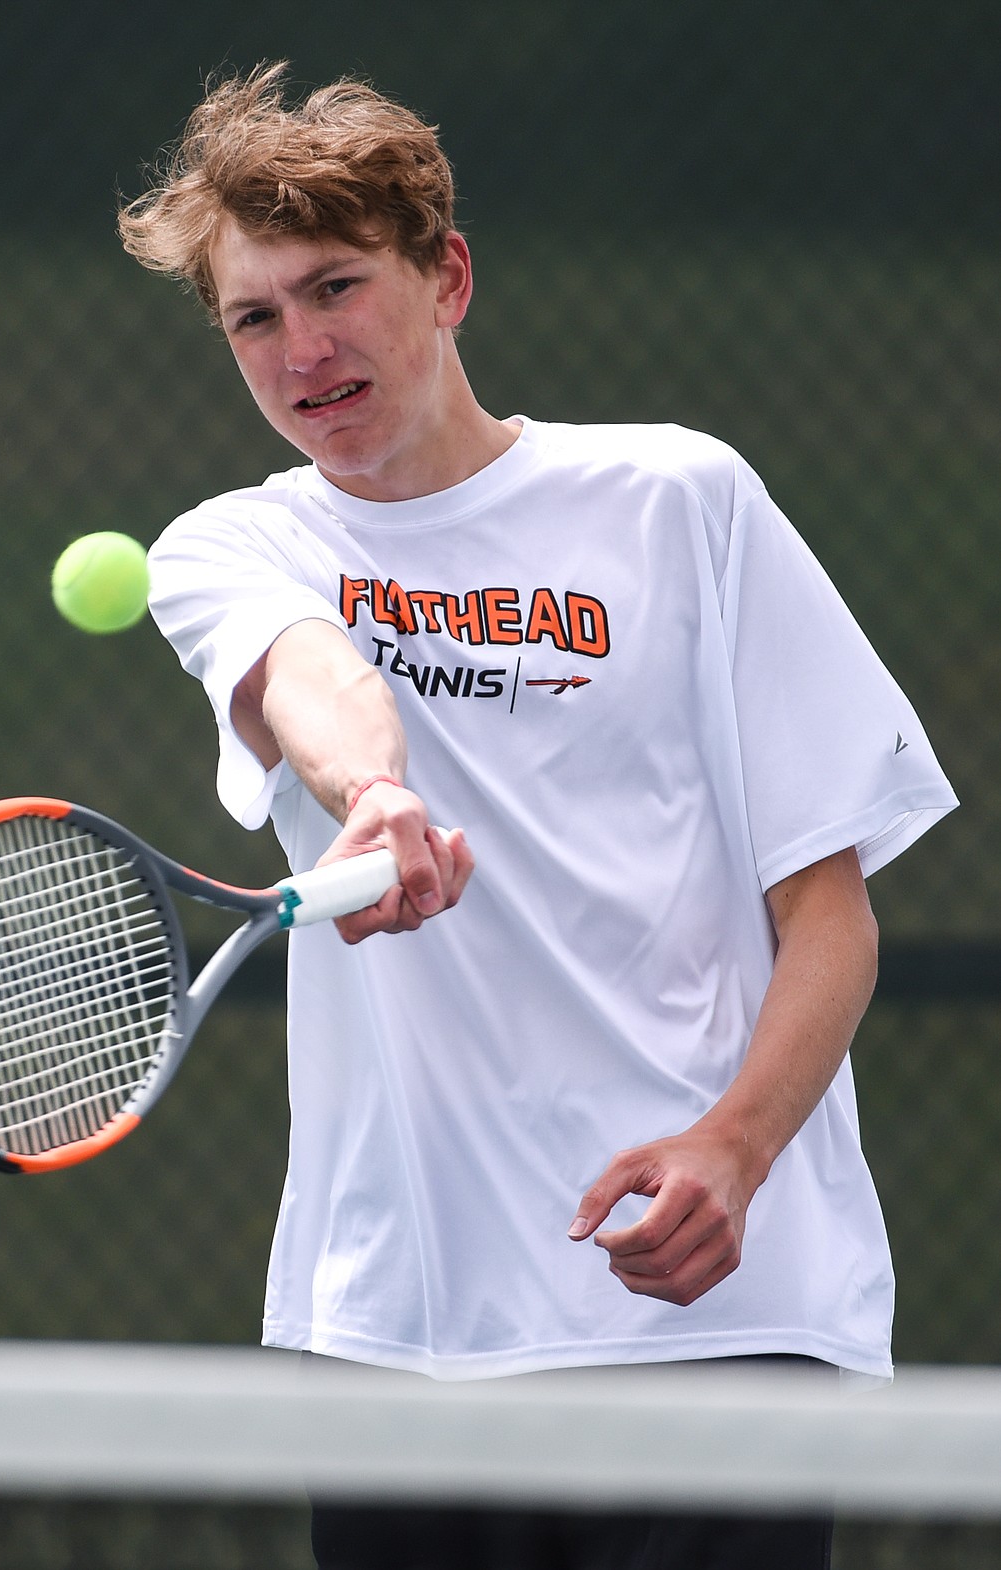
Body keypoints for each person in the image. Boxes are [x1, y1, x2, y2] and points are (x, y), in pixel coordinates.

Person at [119, 62, 957, 1570]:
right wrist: (373, 791)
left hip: (720, 1318)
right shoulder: (230, 545)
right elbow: (306, 674)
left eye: (335, 287)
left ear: (445, 279)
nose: (301, 348)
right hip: (403, 1334)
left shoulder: (680, 501)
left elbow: (825, 914)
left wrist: (735, 1149)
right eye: (255, 316)